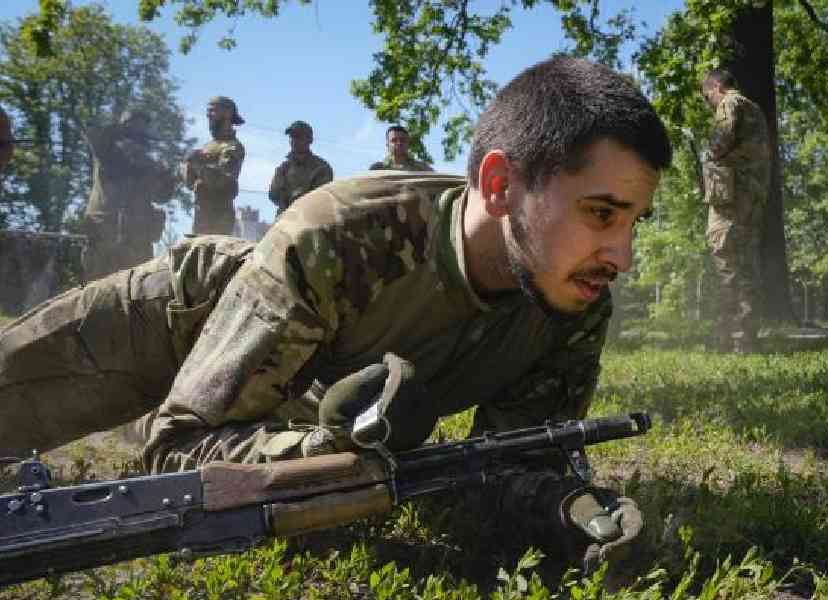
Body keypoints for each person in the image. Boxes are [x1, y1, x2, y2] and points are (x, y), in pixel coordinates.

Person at [0, 56, 671, 573]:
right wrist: (329, 452)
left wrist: (568, 511)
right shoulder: (342, 234)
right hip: (180, 320)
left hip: (298, 401)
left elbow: (497, 471)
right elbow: (175, 457)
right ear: (500, 185)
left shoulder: (573, 298)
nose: (623, 255)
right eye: (602, 213)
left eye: (634, 221)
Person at [701, 69, 770, 353]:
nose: (709, 104)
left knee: (724, 262)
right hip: (752, 196)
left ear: (716, 86)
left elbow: (721, 141)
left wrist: (706, 155)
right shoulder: (755, 109)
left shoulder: (730, 103)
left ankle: (725, 339)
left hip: (731, 197)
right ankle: (746, 339)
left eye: (708, 97)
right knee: (746, 265)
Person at [82, 110, 176, 280]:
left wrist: (168, 176)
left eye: (142, 131)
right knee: (96, 291)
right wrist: (123, 129)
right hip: (104, 235)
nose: (137, 138)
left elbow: (162, 196)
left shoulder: (149, 164)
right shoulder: (107, 152)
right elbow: (94, 134)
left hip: (137, 240)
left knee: (136, 293)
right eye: (134, 129)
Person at [184, 96, 246, 235]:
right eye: (208, 111)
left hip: (218, 217)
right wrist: (188, 165)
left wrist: (198, 163)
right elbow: (190, 184)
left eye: (213, 110)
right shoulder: (207, 146)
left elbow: (221, 180)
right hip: (201, 216)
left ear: (227, 113)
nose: (208, 115)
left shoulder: (233, 147)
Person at [268, 120, 333, 215]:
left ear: (309, 140)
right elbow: (274, 194)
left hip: (310, 220)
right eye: (292, 137)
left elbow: (320, 198)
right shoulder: (283, 168)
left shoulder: (321, 168)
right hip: (285, 219)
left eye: (298, 137)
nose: (294, 140)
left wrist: (297, 196)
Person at [369, 125, 433, 171]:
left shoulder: (423, 169)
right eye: (394, 140)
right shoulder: (377, 168)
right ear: (387, 144)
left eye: (403, 140)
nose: (399, 143)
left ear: (408, 143)